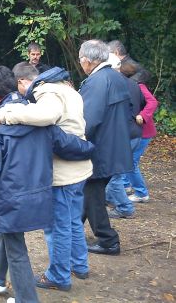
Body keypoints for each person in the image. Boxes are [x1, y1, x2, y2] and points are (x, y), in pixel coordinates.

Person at [0, 66, 93, 302]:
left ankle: (26, 298)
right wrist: (91, 148)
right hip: (38, 194)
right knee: (6, 233)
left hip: (10, 198)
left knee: (15, 245)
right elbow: (68, 144)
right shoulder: (39, 117)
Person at [78, 39, 132, 256]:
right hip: (115, 145)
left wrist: (75, 144)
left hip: (100, 149)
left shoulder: (97, 81)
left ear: (87, 61)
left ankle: (109, 240)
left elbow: (88, 120)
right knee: (89, 192)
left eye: (81, 60)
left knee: (92, 194)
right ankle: (72, 226)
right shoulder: (117, 77)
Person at [104, 54, 144, 219]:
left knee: (115, 175)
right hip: (135, 133)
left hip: (124, 135)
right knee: (119, 172)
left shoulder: (114, 85)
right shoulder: (134, 84)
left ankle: (125, 208)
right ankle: (108, 199)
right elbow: (141, 103)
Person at [125, 66, 158, 203]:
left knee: (131, 161)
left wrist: (142, 115)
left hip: (143, 131)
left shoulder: (138, 86)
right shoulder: (131, 85)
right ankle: (126, 185)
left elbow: (153, 102)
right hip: (137, 131)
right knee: (128, 159)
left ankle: (141, 192)